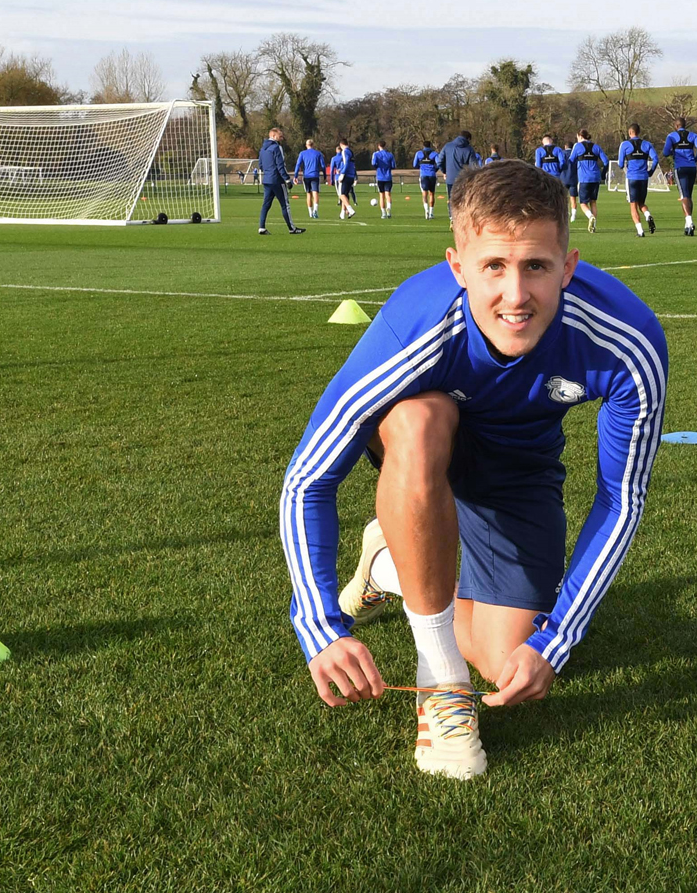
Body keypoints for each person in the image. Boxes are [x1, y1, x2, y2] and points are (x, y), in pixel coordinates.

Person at [279, 160, 668, 780]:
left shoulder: (627, 340)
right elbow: (310, 478)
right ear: (458, 268)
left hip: (520, 475)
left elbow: (620, 501)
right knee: (418, 419)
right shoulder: (416, 324)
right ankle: (441, 686)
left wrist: (555, 639)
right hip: (426, 453)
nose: (515, 296)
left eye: (536, 266)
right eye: (493, 267)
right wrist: (319, 625)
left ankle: (389, 562)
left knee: (506, 656)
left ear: (568, 267)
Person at [256, 127, 304, 235]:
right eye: (280, 136)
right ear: (273, 136)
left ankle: (261, 227)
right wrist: (287, 179)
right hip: (277, 180)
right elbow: (280, 165)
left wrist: (268, 172)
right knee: (285, 204)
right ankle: (292, 228)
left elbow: (261, 165)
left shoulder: (262, 149)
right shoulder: (276, 147)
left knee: (266, 205)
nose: (281, 138)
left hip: (267, 180)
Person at [663, 117, 697, 235]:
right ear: (685, 125)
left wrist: (674, 153)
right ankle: (687, 226)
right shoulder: (693, 135)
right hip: (692, 167)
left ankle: (690, 221)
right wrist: (695, 159)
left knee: (684, 196)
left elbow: (665, 152)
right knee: (688, 196)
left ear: (676, 126)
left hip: (680, 168)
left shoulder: (671, 136)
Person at [617, 123, 659, 237]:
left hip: (632, 178)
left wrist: (625, 164)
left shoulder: (625, 145)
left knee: (633, 205)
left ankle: (640, 231)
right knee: (641, 203)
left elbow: (620, 164)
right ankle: (647, 215)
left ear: (630, 132)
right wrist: (650, 171)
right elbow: (656, 159)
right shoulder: (647, 144)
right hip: (644, 178)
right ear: (639, 132)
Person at [570, 129, 608, 234]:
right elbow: (606, 161)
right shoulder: (596, 147)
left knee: (583, 203)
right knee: (593, 202)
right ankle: (593, 227)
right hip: (596, 178)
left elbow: (571, 160)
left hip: (584, 178)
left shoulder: (577, 146)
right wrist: (603, 173)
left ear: (579, 136)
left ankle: (590, 217)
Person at [440, 130, 481, 220]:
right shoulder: (469, 149)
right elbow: (474, 166)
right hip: (463, 179)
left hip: (450, 178)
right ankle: (462, 218)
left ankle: (452, 218)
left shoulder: (448, 146)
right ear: (468, 139)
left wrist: (445, 171)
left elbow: (440, 161)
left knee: (451, 198)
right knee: (463, 199)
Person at [295, 139, 326, 218]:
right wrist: (325, 175)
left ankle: (310, 213)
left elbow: (298, 165)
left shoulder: (302, 153)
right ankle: (315, 210)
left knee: (308, 194)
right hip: (315, 175)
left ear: (306, 145)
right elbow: (323, 166)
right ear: (313, 144)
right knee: (315, 192)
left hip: (306, 176)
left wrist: (295, 176)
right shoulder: (318, 153)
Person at [414, 141, 440, 219]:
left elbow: (414, 164)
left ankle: (426, 211)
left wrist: (421, 167)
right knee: (432, 194)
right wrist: (434, 169)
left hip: (423, 175)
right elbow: (438, 163)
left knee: (424, 194)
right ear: (430, 145)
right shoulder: (434, 154)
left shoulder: (419, 153)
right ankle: (431, 213)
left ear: (423, 146)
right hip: (432, 175)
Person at [371, 142, 396, 219]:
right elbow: (393, 166)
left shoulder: (376, 154)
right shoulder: (390, 155)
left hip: (380, 177)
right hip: (388, 177)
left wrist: (378, 166)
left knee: (381, 196)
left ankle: (383, 213)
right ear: (385, 146)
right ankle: (389, 209)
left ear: (378, 146)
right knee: (388, 194)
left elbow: (373, 163)